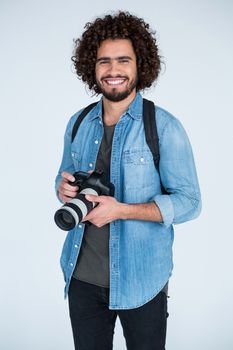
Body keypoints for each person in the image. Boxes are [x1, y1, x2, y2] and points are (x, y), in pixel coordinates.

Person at [55, 11, 201, 350]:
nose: (113, 70)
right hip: (81, 277)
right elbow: (61, 178)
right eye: (104, 61)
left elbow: (190, 202)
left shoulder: (163, 127)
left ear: (140, 65)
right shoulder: (78, 123)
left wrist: (121, 210)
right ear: (92, 67)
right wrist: (62, 189)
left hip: (142, 280)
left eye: (123, 60)